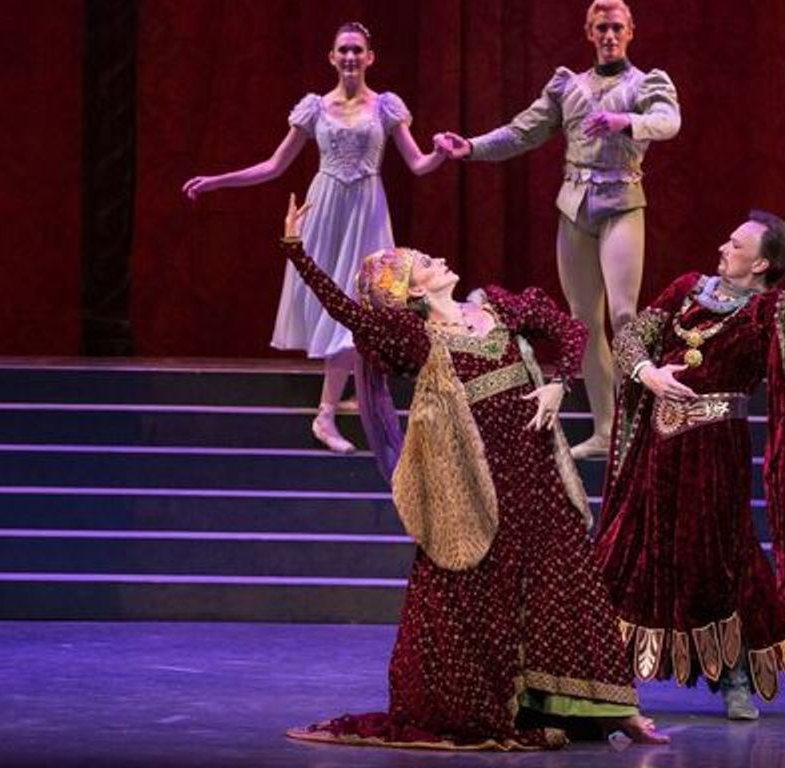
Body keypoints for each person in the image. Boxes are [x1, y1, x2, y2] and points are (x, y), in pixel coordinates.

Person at [273, 196, 667, 749]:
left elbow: (570, 329)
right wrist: (297, 252)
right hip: (478, 485)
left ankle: (615, 711)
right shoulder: (416, 339)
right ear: (412, 291)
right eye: (424, 263)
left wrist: (562, 383)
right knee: (483, 596)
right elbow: (349, 312)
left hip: (537, 473)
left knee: (568, 585)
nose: (437, 259)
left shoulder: (499, 308)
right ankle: (497, 704)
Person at [594, 145, 785, 720]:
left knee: (719, 561)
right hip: (655, 449)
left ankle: (732, 671)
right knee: (629, 554)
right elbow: (629, 338)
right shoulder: (687, 288)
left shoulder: (769, 313)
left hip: (714, 453)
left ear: (761, 264)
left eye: (737, 245)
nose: (723, 247)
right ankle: (602, 676)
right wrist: (649, 373)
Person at [183, 22, 445, 475]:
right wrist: (218, 181)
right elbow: (274, 164)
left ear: (369, 57)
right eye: (342, 50)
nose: (349, 57)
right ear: (331, 57)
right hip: (325, 210)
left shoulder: (385, 107)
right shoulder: (314, 109)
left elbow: (419, 165)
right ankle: (327, 413)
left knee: (364, 308)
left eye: (356, 51)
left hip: (367, 210)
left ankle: (339, 403)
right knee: (336, 307)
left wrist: (445, 151)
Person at [434, 0, 681, 459]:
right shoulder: (568, 86)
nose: (608, 36)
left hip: (622, 204)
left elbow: (669, 122)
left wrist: (626, 120)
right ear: (589, 33)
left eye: (616, 28)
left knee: (624, 317)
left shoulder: (646, 84)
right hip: (575, 208)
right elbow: (521, 131)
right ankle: (606, 430)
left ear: (630, 31)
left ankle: (634, 427)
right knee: (584, 321)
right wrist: (470, 147)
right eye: (600, 28)